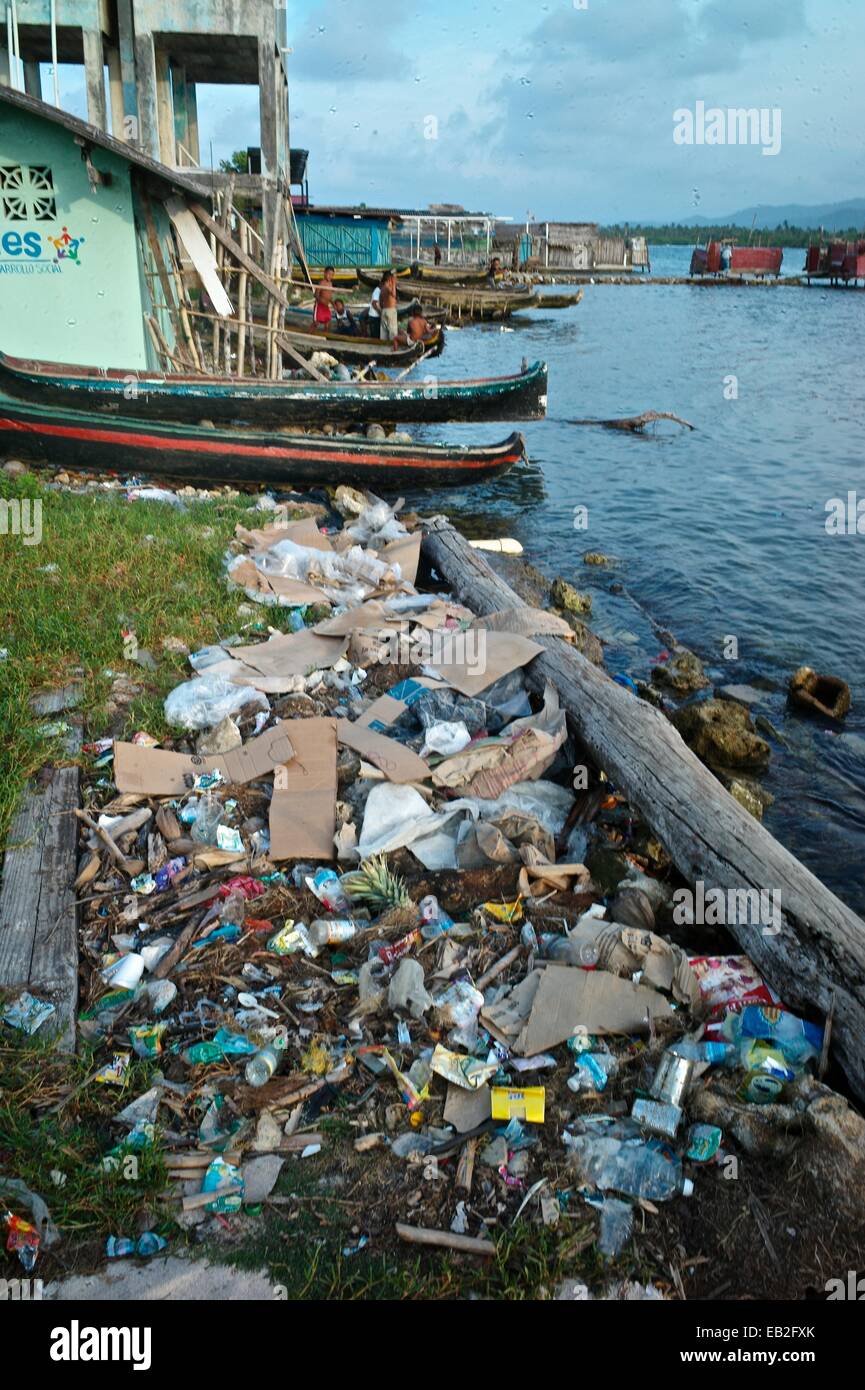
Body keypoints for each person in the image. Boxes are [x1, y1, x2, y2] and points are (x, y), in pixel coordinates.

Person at [379, 269, 399, 348]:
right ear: (390, 278)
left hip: (384, 310)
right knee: (392, 331)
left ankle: (384, 348)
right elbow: (394, 294)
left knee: (384, 332)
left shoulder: (382, 288)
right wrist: (393, 284)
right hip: (391, 311)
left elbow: (380, 303)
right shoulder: (387, 286)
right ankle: (393, 348)